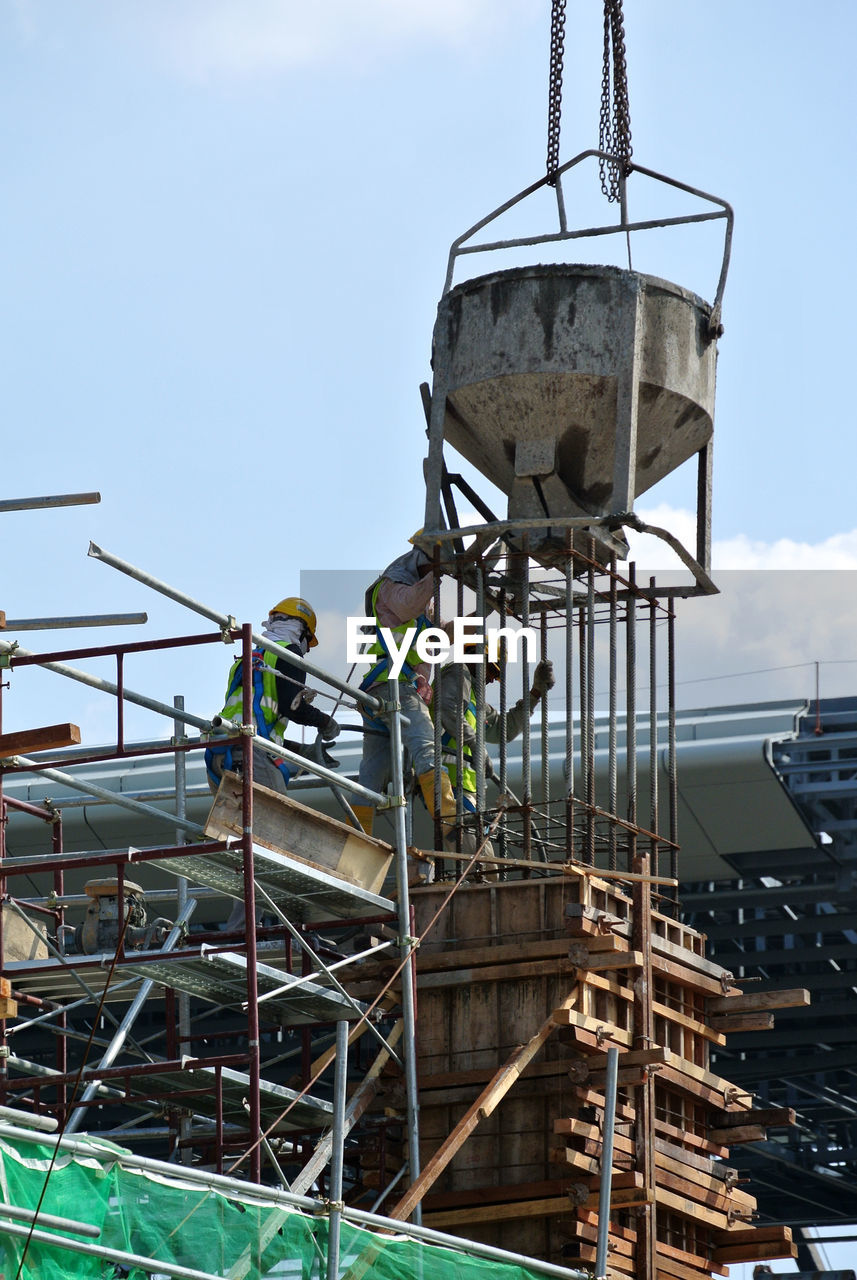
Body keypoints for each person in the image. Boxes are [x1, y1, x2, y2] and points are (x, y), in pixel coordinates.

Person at [353, 541, 457, 841]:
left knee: (375, 770)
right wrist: (437, 574)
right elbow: (408, 604)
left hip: (387, 691)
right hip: (391, 686)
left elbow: (439, 634)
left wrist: (477, 617)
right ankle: (447, 815)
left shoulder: (422, 605)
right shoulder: (391, 587)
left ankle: (356, 837)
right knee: (425, 742)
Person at [204, 596, 340, 797]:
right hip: (250, 754)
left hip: (220, 754)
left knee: (232, 826)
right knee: (276, 823)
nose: (307, 648)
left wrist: (299, 750)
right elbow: (292, 707)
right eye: (308, 642)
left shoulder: (248, 658)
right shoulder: (288, 653)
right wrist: (325, 722)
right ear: (302, 631)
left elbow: (256, 720)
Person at [434, 648, 556, 818]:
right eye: (491, 670)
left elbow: (503, 730)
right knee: (472, 841)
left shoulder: (475, 700)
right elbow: (448, 709)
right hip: (444, 779)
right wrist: (475, 744)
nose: (491, 679)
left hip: (461, 786)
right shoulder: (458, 672)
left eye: (496, 675)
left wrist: (535, 693)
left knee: (478, 840)